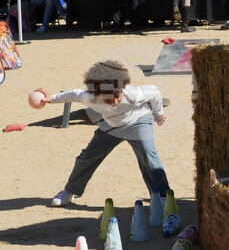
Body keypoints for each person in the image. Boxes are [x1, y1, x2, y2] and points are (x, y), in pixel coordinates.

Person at [42, 60, 169, 207]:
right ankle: (70, 191)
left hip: (137, 122)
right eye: (108, 98)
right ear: (97, 93)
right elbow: (72, 95)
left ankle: (162, 195)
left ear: (122, 88)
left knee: (148, 154)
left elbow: (154, 92)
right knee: (87, 156)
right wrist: (50, 98)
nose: (114, 100)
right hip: (110, 125)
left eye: (117, 95)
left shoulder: (133, 94)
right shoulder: (90, 97)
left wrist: (159, 113)